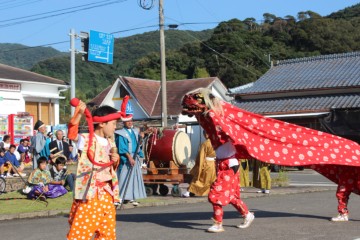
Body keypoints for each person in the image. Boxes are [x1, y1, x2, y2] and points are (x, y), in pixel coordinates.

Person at [67, 99, 122, 240]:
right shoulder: (86, 139)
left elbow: (111, 169)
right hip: (91, 195)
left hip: (107, 195)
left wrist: (115, 160)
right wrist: (79, 114)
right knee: (80, 234)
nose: (115, 127)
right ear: (102, 123)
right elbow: (72, 135)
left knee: (107, 234)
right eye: (114, 124)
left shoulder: (111, 142)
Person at [115, 112, 147, 206]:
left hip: (135, 156)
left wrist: (142, 137)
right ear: (124, 122)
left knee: (134, 177)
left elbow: (138, 144)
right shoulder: (120, 133)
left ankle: (131, 197)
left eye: (131, 121)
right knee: (123, 176)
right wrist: (129, 157)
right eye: (127, 121)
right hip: (126, 157)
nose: (130, 123)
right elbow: (121, 147)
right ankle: (120, 197)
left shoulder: (135, 132)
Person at [182, 130, 216, 197]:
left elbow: (201, 156)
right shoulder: (215, 143)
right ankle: (213, 192)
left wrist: (198, 164)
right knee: (211, 180)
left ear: (206, 134)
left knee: (198, 179)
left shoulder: (205, 143)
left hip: (205, 164)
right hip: (213, 164)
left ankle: (188, 192)